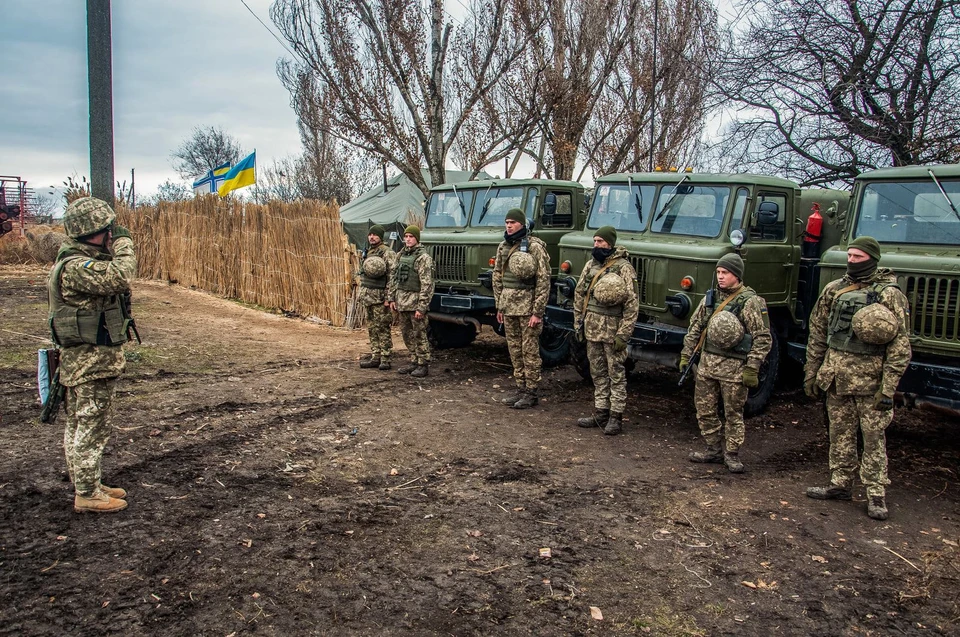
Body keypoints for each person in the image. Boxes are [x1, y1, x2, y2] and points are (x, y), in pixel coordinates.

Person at [803, 236, 911, 520]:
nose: (851, 260)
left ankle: (876, 493)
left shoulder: (890, 294)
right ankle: (840, 484)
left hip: (869, 380)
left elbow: (900, 347)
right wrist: (812, 372)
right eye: (849, 255)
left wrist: (888, 389)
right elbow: (818, 333)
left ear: (872, 259)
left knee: (873, 438)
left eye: (858, 257)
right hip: (836, 376)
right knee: (840, 434)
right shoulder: (834, 290)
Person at [47, 197, 137, 514]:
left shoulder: (79, 261)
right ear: (94, 230)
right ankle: (86, 493)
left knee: (83, 424)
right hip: (89, 362)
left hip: (88, 360)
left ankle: (90, 484)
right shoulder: (76, 267)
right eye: (107, 228)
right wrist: (125, 244)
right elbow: (121, 275)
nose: (111, 233)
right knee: (90, 427)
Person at [680, 253, 772, 473]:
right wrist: (685, 355)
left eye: (726, 273)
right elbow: (695, 328)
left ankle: (732, 453)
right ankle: (713, 448)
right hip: (707, 366)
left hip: (734, 369)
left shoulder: (750, 302)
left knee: (733, 413)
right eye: (719, 272)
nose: (720, 277)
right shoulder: (710, 299)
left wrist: (752, 367)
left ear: (736, 275)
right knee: (704, 410)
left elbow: (762, 338)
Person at [574, 226, 639, 435]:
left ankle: (616, 416)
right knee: (598, 372)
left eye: (600, 242)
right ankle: (601, 410)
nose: (596, 245)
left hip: (613, 330)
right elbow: (580, 295)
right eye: (594, 241)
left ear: (610, 244)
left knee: (616, 373)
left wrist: (624, 334)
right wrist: (578, 324)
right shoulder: (590, 265)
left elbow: (632, 304)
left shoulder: (624, 268)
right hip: (592, 328)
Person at [492, 208, 550, 409]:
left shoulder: (535, 247)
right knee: (514, 350)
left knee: (529, 350)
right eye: (507, 222)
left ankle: (531, 391)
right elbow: (497, 276)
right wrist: (499, 305)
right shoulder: (503, 247)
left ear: (522, 224)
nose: (509, 225)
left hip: (527, 308)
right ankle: (520, 387)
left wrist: (537, 312)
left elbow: (543, 280)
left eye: (513, 222)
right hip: (508, 306)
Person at [389, 225, 435, 378]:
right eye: (406, 236)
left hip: (415, 303)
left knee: (419, 333)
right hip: (402, 302)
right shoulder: (400, 255)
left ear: (417, 239)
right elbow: (394, 277)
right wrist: (392, 298)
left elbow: (427, 284)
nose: (408, 239)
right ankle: (414, 359)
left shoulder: (423, 258)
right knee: (406, 333)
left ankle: (423, 363)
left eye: (411, 237)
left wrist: (422, 307)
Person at [358, 224, 397, 370]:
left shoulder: (387, 253)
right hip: (369, 296)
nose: (372, 237)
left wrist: (389, 297)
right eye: (370, 234)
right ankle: (375, 356)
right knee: (372, 328)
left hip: (381, 297)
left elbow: (392, 276)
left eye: (375, 235)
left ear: (381, 236)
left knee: (382, 327)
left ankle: (385, 358)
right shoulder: (369, 251)